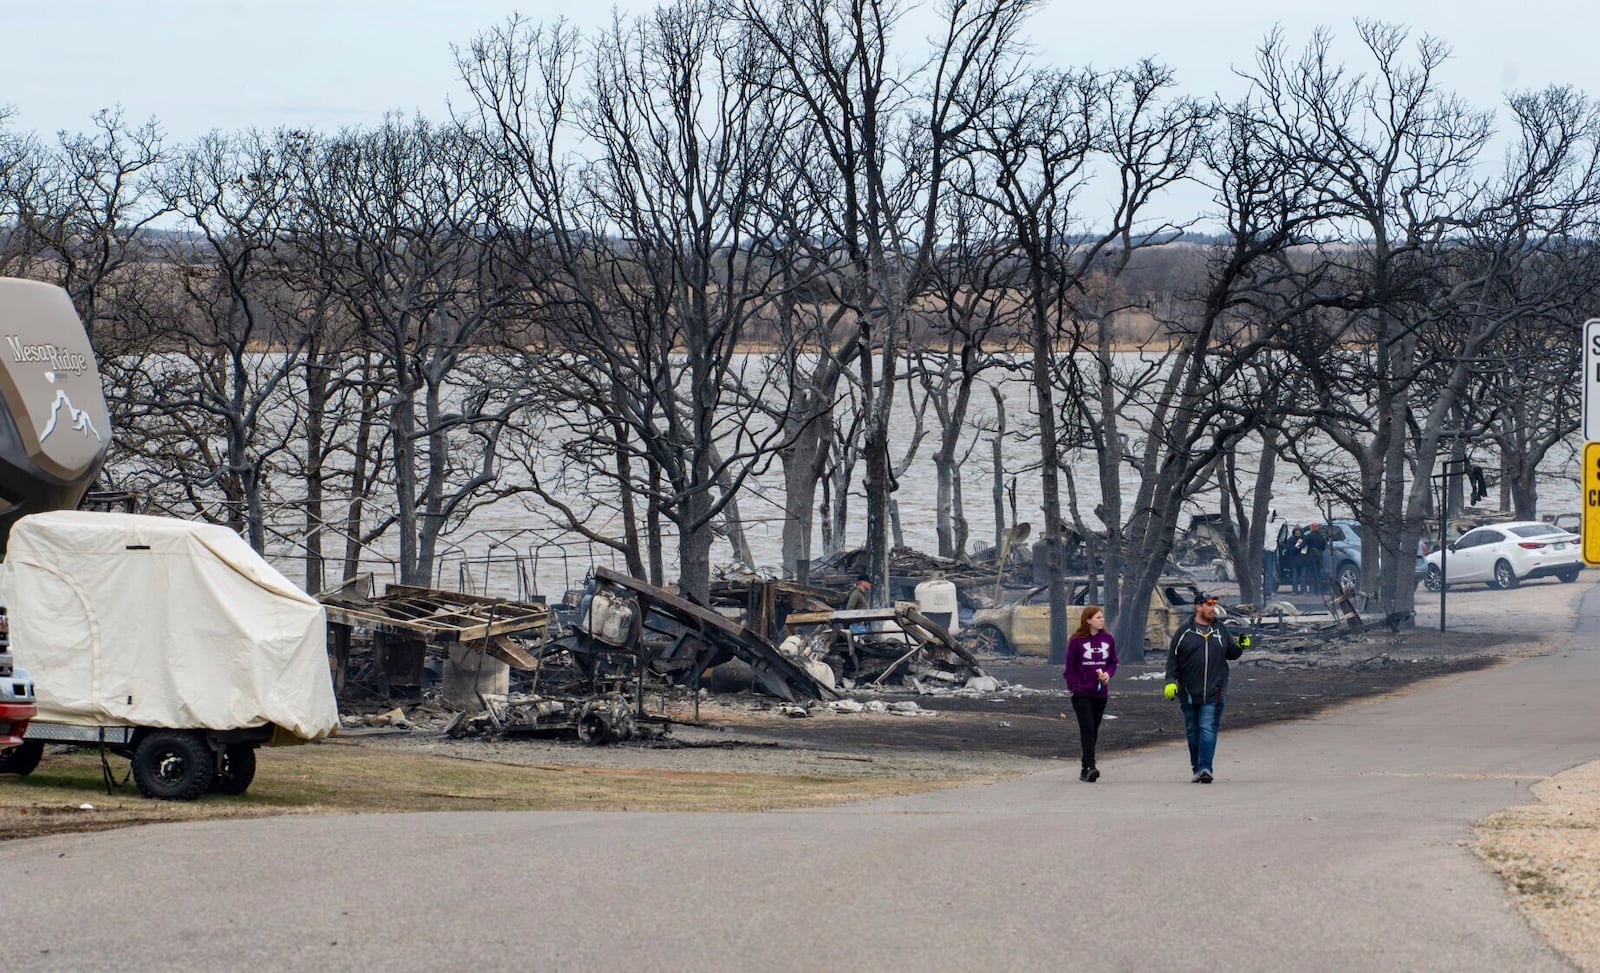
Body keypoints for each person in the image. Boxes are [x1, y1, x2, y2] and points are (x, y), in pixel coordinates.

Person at [1162, 594, 1250, 783]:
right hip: (1188, 692)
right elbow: (1172, 660)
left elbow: (1231, 653)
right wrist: (1170, 681)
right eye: (1209, 604)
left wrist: (1241, 646)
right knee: (1193, 731)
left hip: (1214, 692)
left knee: (1207, 728)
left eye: (1214, 605)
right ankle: (1197, 767)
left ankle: (1205, 768)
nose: (1213, 608)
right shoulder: (1184, 632)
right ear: (1198, 607)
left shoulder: (1220, 630)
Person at [1063, 605, 1118, 782]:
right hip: (1081, 692)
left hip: (1100, 692)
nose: (1101, 620)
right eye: (1098, 617)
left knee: (1093, 729)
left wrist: (1108, 674)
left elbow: (1113, 662)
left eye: (1102, 617)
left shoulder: (1108, 639)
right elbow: (1069, 668)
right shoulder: (1076, 641)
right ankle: (1092, 765)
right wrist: (1074, 688)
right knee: (1086, 727)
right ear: (1088, 620)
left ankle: (1085, 766)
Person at [1301, 522, 1328, 595]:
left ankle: (1311, 590)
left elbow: (1302, 545)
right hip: (1319, 556)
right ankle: (1318, 591)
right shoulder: (1321, 537)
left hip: (1310, 556)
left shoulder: (1308, 536)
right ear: (1318, 528)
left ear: (1311, 528)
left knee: (1310, 573)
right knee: (1318, 574)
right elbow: (1323, 548)